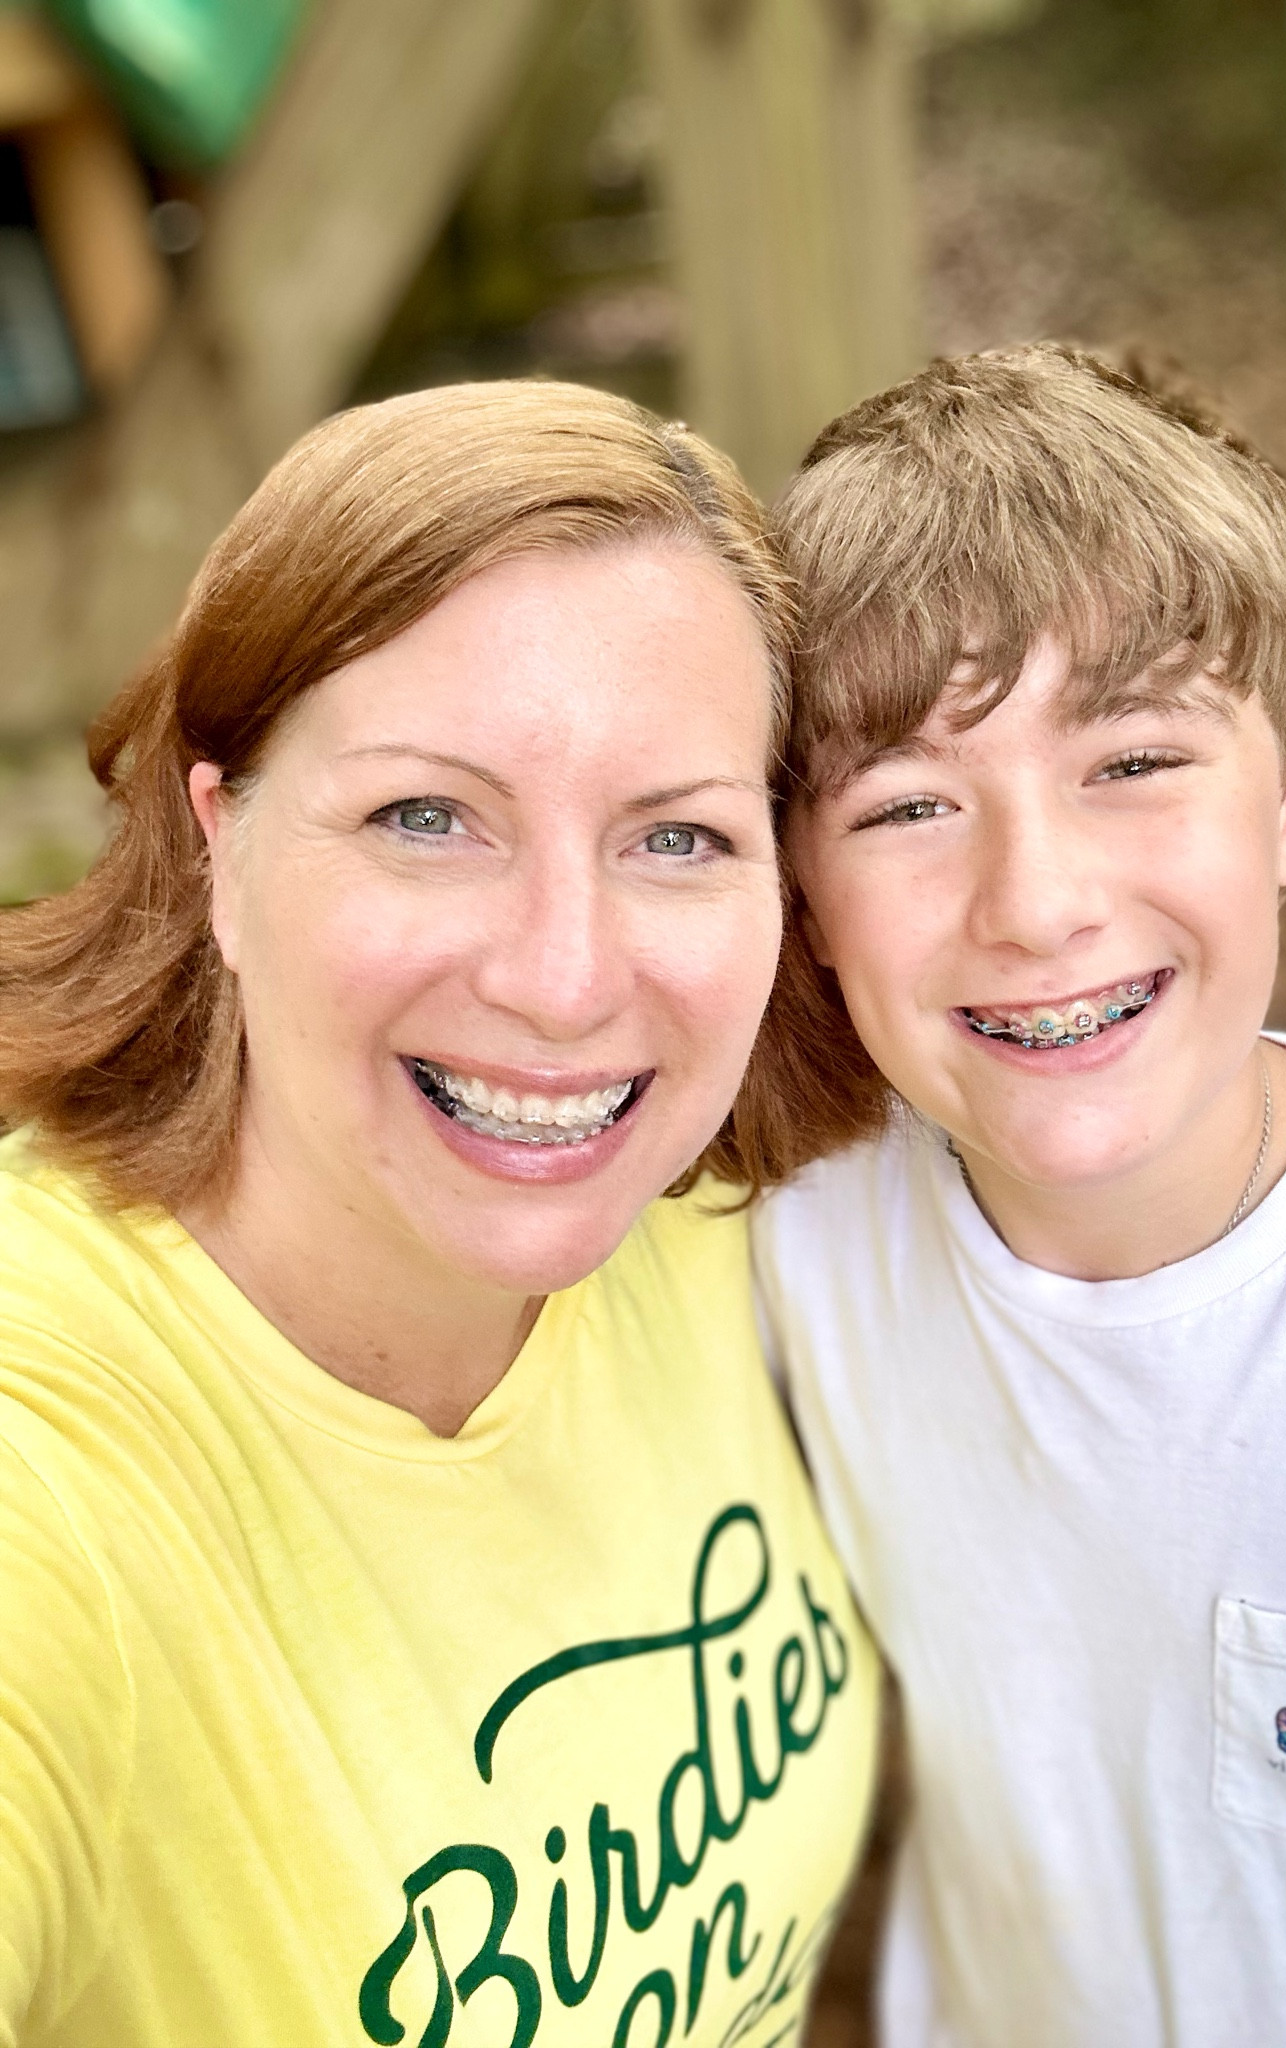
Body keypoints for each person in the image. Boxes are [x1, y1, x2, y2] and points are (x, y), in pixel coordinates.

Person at [0, 380, 879, 2048]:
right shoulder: (49, 1461)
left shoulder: (719, 1224)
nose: (563, 980)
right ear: (220, 845)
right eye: (427, 818)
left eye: (678, 837)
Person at [738, 345, 1286, 2047]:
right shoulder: (791, 1239)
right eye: (909, 805)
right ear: (800, 884)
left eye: (1134, 763)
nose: (1036, 904)